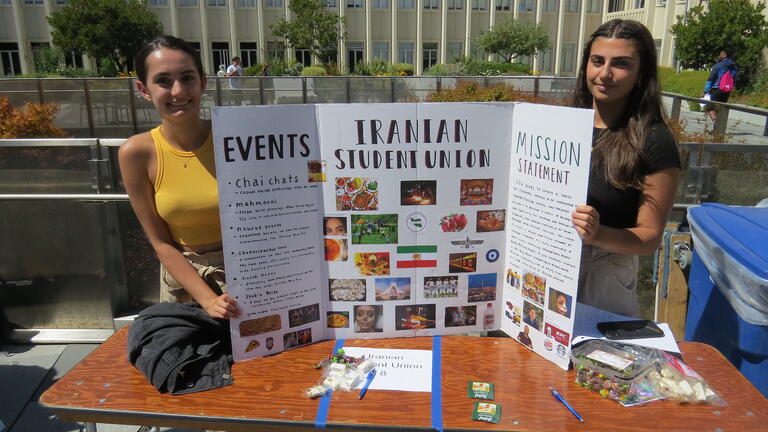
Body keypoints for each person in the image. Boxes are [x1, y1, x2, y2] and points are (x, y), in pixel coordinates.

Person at [119, 36, 241, 319]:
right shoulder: (136, 153)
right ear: (144, 89)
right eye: (163, 81)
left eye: (187, 78)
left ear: (203, 82)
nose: (178, 91)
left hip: (247, 274)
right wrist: (209, 301)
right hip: (184, 288)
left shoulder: (237, 138)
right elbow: (161, 243)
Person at [570, 20, 681, 317]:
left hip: (605, 272)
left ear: (641, 73)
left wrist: (597, 233)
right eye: (597, 61)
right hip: (549, 260)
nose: (604, 73)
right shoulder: (562, 124)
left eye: (620, 64)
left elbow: (649, 237)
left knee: (592, 360)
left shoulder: (654, 139)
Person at [702, 49, 738, 132]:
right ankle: (717, 130)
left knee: (709, 107)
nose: (719, 55)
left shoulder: (719, 65)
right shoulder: (734, 66)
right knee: (721, 110)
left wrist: (705, 91)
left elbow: (711, 79)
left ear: (724, 55)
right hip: (726, 91)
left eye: (720, 54)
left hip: (716, 89)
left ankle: (716, 122)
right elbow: (735, 79)